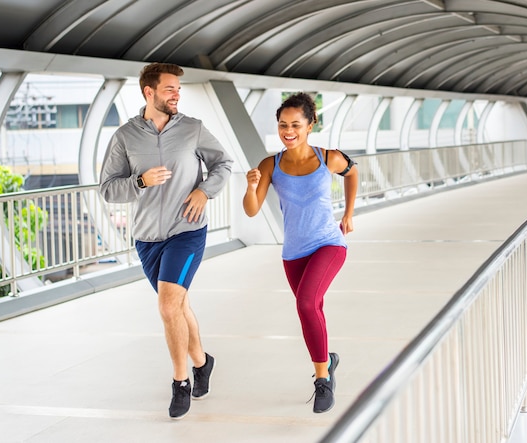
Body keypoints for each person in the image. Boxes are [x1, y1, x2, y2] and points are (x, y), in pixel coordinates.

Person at [99, 62, 233, 420]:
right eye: (170, 89)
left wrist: (205, 192)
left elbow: (223, 164)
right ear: (149, 92)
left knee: (168, 307)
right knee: (179, 306)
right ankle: (203, 362)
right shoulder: (125, 136)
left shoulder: (192, 129)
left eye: (178, 89)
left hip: (187, 231)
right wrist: (139, 182)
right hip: (146, 238)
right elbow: (108, 189)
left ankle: (181, 382)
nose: (176, 94)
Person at [242, 92, 358, 413]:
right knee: (311, 310)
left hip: (329, 244)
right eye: (282, 125)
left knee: (306, 304)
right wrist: (251, 187)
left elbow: (353, 173)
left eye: (295, 124)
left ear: (310, 125)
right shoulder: (271, 165)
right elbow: (252, 210)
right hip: (293, 253)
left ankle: (323, 381)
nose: (288, 131)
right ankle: (329, 360)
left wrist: (348, 213)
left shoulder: (327, 158)